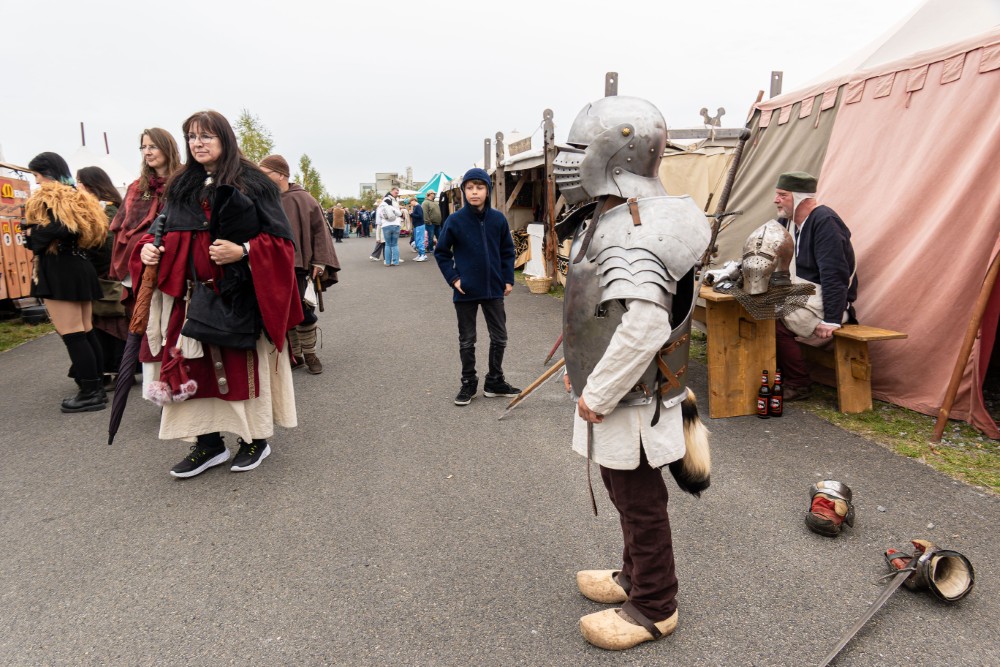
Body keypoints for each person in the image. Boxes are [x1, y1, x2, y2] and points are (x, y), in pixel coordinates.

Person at [553, 95, 711, 650]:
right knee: (623, 489)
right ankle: (632, 578)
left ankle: (655, 603)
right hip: (623, 389)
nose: (564, 161)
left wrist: (598, 391)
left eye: (579, 148)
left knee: (639, 499)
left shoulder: (636, 227)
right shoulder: (620, 215)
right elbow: (602, 310)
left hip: (633, 395)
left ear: (617, 152)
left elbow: (644, 326)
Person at [135, 110, 302, 478]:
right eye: (192, 136)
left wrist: (243, 251)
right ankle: (208, 445)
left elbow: (281, 243)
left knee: (241, 371)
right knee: (192, 370)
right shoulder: (181, 186)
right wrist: (147, 249)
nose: (198, 143)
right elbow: (161, 232)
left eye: (206, 136)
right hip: (191, 300)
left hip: (238, 299)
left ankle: (254, 440)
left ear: (224, 139)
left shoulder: (253, 182)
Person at [22, 152, 109, 413]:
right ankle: (95, 385)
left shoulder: (51, 196)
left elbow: (64, 227)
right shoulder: (77, 196)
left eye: (36, 176)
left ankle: (90, 391)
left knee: (73, 333)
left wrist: (34, 236)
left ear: (46, 173)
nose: (37, 183)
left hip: (61, 268)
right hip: (78, 264)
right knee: (85, 330)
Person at [433, 168, 521, 405]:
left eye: (479, 187)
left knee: (500, 337)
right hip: (466, 290)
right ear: (464, 191)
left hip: (494, 289)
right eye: (470, 188)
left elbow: (507, 251)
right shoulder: (455, 220)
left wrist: (508, 278)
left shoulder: (498, 219)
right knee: (467, 340)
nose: (474, 192)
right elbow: (441, 253)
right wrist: (454, 278)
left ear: (487, 190)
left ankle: (494, 380)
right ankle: (468, 382)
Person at [773, 171, 858, 401]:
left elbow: (835, 274)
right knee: (755, 311)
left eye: (782, 195)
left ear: (799, 197)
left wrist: (831, 318)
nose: (776, 200)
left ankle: (799, 383)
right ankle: (772, 376)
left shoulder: (825, 222)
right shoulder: (786, 223)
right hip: (799, 294)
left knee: (776, 324)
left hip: (826, 302)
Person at [260, 154, 340, 375]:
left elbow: (320, 232)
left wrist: (320, 261)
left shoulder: (304, 199)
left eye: (265, 174)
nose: (261, 178)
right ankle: (295, 354)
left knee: (304, 313)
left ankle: (310, 354)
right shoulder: (264, 200)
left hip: (301, 266)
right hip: (273, 266)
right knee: (284, 313)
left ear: (281, 175)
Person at [76, 166, 126, 382]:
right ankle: (117, 367)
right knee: (108, 322)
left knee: (110, 322)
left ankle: (117, 368)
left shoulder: (108, 210)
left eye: (79, 182)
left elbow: (108, 245)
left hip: (107, 275)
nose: (76, 186)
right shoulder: (108, 208)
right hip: (106, 273)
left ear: (90, 185)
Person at [377, 187, 402, 266]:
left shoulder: (381, 207)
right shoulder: (392, 206)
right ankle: (396, 261)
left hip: (386, 226)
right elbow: (400, 214)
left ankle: (387, 262)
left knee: (387, 244)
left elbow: (379, 218)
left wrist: (380, 223)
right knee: (395, 244)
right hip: (396, 225)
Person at [410, 195, 427, 261]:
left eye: (410, 202)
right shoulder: (416, 207)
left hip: (419, 225)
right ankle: (420, 254)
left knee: (420, 240)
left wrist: (411, 214)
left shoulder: (418, 207)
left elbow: (420, 216)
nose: (410, 204)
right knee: (417, 241)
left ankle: (423, 254)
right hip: (417, 225)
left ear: (414, 201)